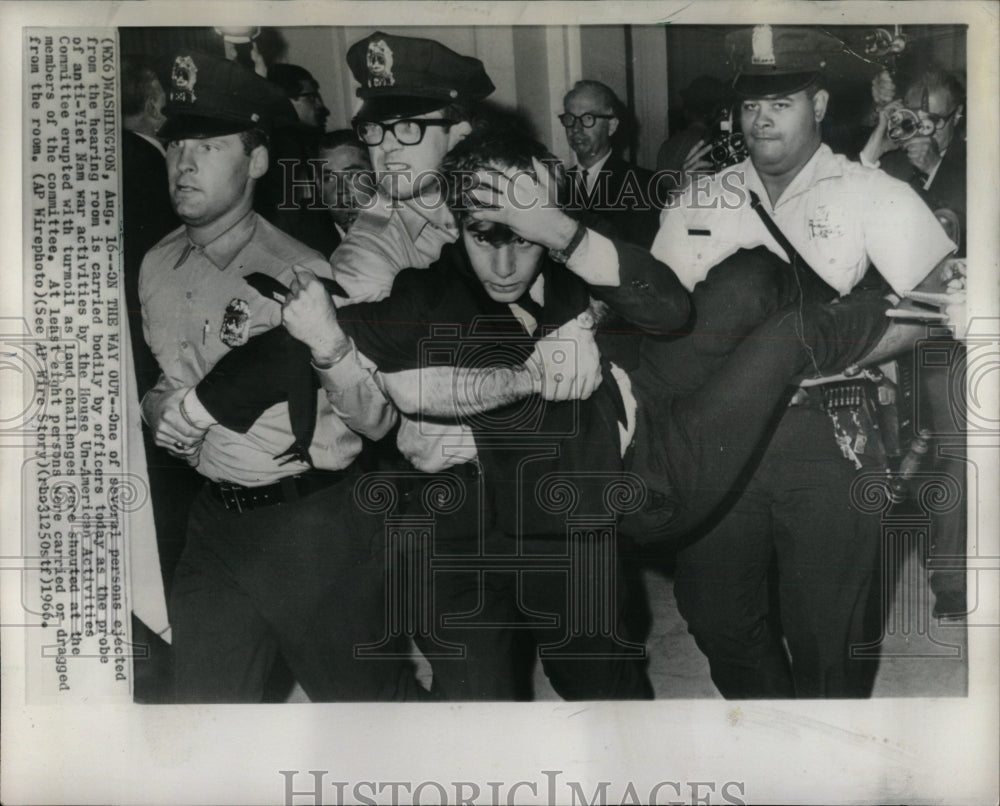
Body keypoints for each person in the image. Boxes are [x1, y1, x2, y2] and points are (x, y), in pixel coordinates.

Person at [221, 128, 895, 697]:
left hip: (651, 400)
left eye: (525, 236)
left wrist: (566, 243)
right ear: (458, 228)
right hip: (634, 483)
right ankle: (899, 311)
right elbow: (349, 362)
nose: (509, 260)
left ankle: (873, 300)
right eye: (488, 238)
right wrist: (235, 377)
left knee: (749, 273)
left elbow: (666, 306)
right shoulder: (426, 297)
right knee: (784, 343)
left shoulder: (575, 250)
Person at [653, 25, 963, 698]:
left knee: (829, 633)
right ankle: (776, 739)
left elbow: (943, 307)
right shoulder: (701, 199)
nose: (760, 118)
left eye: (782, 101)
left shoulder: (869, 192)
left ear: (819, 104)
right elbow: (660, 317)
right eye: (750, 104)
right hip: (719, 431)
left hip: (826, 425)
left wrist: (831, 349)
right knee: (716, 616)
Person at [138, 52, 418, 703]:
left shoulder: (301, 272)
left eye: (209, 146)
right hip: (215, 526)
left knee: (373, 712)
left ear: (256, 162)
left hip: (311, 528)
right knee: (201, 714)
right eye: (177, 143)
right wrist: (163, 412)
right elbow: (163, 378)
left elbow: (374, 419)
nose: (184, 164)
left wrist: (324, 347)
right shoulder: (157, 263)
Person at [860, 64, 969, 617]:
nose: (925, 131)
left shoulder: (976, 162)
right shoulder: (895, 163)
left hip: (962, 330)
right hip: (904, 324)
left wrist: (933, 174)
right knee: (896, 448)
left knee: (955, 445)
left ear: (960, 118)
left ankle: (951, 580)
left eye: (938, 121)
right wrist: (882, 140)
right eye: (915, 118)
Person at [560, 80, 660, 248]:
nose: (576, 129)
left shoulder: (644, 185)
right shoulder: (557, 183)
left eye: (588, 118)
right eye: (570, 118)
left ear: (611, 126)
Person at [258, 63, 337, 255]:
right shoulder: (288, 147)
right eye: (310, 98)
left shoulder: (287, 144)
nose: (321, 107)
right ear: (284, 101)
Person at [315, 129, 376, 250]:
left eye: (353, 175)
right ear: (319, 187)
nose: (342, 191)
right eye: (329, 179)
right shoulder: (305, 242)